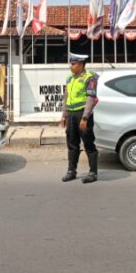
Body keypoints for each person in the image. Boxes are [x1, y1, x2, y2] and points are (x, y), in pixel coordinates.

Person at [59, 53, 99, 183]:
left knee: (88, 144)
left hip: (83, 115)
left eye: (73, 64)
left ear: (81, 64)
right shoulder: (70, 78)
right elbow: (66, 97)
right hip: (71, 115)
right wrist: (64, 115)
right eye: (71, 63)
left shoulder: (89, 77)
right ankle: (71, 171)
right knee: (72, 144)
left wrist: (85, 118)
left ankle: (93, 173)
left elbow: (90, 98)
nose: (71, 66)